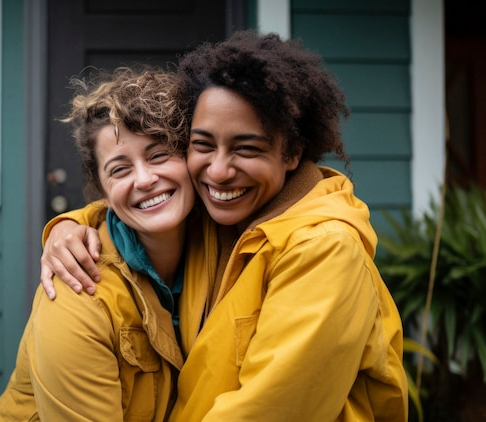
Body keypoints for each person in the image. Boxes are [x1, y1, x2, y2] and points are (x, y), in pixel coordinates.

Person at [41, 30, 409, 421]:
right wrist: (68, 225)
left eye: (246, 148)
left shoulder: (324, 249)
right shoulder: (217, 213)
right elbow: (139, 199)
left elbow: (268, 411)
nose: (218, 172)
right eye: (203, 145)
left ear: (292, 153)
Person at [0, 67, 201, 421]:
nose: (145, 179)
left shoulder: (217, 245)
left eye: (159, 155)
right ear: (102, 192)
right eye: (119, 170)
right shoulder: (76, 293)